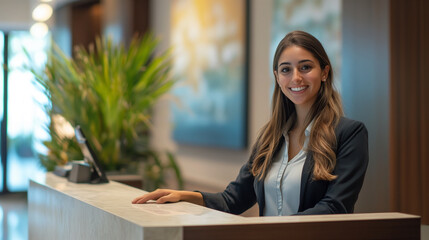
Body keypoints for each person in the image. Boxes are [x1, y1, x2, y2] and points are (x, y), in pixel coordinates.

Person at [132, 30, 369, 216]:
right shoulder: (271, 136)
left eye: (305, 67)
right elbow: (233, 200)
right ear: (277, 77)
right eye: (286, 69)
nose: (296, 77)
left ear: (325, 72)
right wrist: (184, 195)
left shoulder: (349, 133)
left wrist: (269, 231)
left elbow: (335, 207)